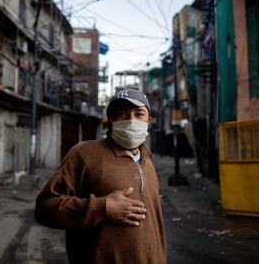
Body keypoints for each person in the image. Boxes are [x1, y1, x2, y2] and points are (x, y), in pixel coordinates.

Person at [35, 88, 166, 264]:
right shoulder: (84, 154)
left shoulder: (148, 161)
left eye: (139, 113)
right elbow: (45, 208)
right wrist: (102, 208)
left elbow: (156, 225)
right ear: (111, 120)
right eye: (122, 114)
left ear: (148, 119)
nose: (131, 120)